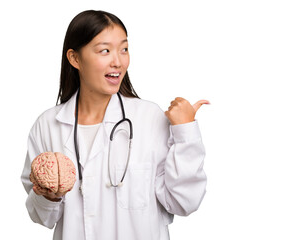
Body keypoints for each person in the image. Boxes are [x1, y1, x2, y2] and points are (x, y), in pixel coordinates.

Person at [21, 10, 209, 240]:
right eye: (105, 51)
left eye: (124, 49)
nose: (118, 62)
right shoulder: (48, 125)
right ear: (75, 58)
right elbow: (42, 217)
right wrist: (49, 196)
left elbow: (184, 202)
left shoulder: (149, 118)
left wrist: (186, 132)